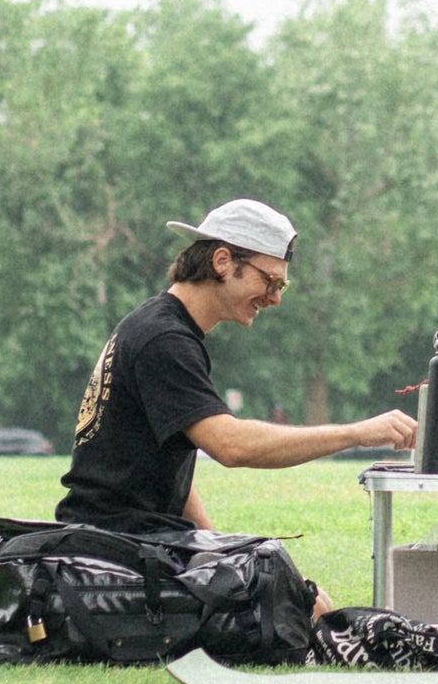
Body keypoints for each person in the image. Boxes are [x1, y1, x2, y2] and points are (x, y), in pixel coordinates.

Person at [55, 198, 418, 545]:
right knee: (306, 602)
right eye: (270, 281)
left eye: (282, 287)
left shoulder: (163, 328)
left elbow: (167, 472)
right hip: (118, 546)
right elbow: (232, 446)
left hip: (128, 536)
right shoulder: (163, 339)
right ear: (223, 261)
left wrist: (214, 543)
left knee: (297, 593)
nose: (275, 298)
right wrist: (356, 433)